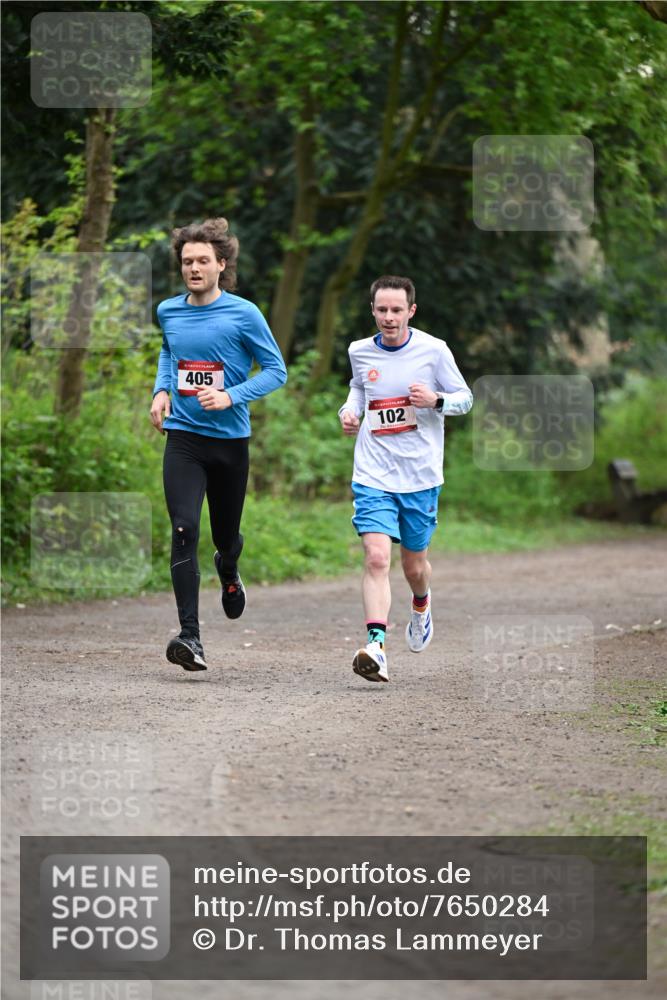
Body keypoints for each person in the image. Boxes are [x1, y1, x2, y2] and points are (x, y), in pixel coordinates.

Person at [150, 217, 287, 671]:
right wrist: (161, 390)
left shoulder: (244, 313)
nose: (193, 268)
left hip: (230, 442)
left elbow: (275, 371)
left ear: (220, 264)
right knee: (184, 528)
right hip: (184, 439)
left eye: (202, 261)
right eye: (187, 261)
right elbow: (169, 351)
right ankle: (191, 636)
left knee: (225, 534)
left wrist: (231, 395)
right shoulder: (169, 310)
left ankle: (228, 567)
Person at [339, 275, 473, 683]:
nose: (388, 317)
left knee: (414, 566)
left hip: (420, 476)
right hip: (374, 471)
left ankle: (421, 603)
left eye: (397, 310)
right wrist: (350, 410)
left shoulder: (434, 351)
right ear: (373, 311)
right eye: (381, 310)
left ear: (411, 311)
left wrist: (436, 401)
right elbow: (358, 390)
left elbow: (465, 398)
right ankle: (376, 647)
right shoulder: (359, 351)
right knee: (377, 557)